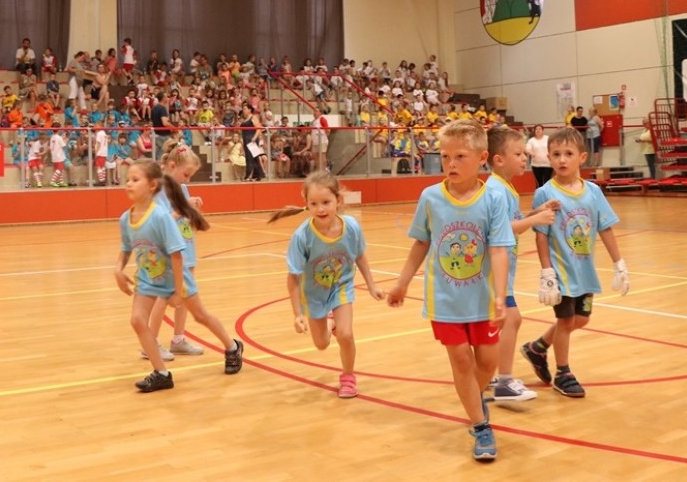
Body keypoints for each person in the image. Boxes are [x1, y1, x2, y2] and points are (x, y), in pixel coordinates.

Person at [386, 119, 514, 461]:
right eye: (445, 157)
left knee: (487, 363)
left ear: (482, 157)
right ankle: (481, 425)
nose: (451, 164)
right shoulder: (431, 197)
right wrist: (402, 281)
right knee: (460, 360)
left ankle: (471, 397)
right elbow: (421, 243)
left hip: (482, 298)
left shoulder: (494, 198)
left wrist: (501, 296)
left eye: (460, 156)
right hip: (444, 299)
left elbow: (499, 249)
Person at [114, 158, 244, 393]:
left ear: (152, 185)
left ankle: (232, 346)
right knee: (137, 320)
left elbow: (176, 255)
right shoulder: (126, 218)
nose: (129, 184)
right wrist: (118, 270)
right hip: (147, 278)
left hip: (175, 277)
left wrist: (176, 290)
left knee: (201, 316)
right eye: (127, 180)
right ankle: (161, 373)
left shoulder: (160, 217)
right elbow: (125, 249)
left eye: (135, 179)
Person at [519, 126, 630, 399]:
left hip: (585, 270)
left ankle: (537, 347)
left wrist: (619, 263)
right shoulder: (545, 193)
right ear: (548, 157)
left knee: (581, 318)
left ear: (582, 157)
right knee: (566, 320)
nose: (562, 159)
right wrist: (547, 272)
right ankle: (563, 373)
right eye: (556, 154)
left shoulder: (593, 191)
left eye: (568, 154)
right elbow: (541, 236)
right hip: (561, 271)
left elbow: (605, 227)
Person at [269, 171, 385, 397]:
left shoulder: (351, 227)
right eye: (314, 203)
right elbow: (293, 278)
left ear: (338, 201)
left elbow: (360, 256)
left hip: (341, 285)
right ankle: (329, 322)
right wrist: (297, 313)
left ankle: (348, 378)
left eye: (326, 202)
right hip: (314, 293)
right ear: (306, 203)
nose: (320, 209)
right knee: (321, 344)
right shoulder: (302, 236)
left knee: (346, 334)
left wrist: (372, 286)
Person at [484, 127, 559, 402]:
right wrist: (536, 220)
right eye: (518, 154)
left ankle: (487, 374)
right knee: (512, 319)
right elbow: (502, 229)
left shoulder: (505, 188)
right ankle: (504, 381)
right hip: (496, 270)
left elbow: (514, 221)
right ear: (498, 159)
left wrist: (536, 211)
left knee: (500, 322)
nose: (524, 158)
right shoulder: (496, 190)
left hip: (505, 270)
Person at [144, 140, 209, 360]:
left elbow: (183, 215)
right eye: (186, 174)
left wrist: (192, 209)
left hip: (185, 247)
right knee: (164, 296)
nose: (187, 180)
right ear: (172, 166)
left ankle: (178, 339)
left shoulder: (181, 187)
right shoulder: (158, 189)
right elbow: (162, 221)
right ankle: (150, 343)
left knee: (185, 295)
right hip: (168, 251)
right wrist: (184, 207)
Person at [241, 102, 265, 181]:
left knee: (251, 157)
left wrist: (254, 138)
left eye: (245, 109)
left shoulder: (253, 117)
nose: (243, 110)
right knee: (251, 157)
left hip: (251, 139)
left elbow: (258, 128)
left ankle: (249, 176)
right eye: (243, 109)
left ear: (249, 110)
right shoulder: (244, 118)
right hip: (246, 139)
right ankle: (258, 175)